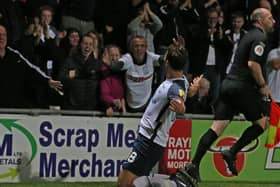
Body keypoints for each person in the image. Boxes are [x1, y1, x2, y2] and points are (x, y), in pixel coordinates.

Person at [185, 8, 275, 183]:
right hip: (242, 88)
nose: (274, 21)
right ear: (260, 20)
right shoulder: (260, 38)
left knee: (217, 127)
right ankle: (232, 152)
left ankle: (194, 164)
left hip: (227, 85)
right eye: (270, 18)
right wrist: (263, 86)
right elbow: (253, 64)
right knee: (263, 123)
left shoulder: (247, 36)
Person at [117, 39, 202, 187]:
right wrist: (191, 92)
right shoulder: (181, 80)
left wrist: (181, 108)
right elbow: (183, 92)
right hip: (150, 140)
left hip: (149, 142)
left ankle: (177, 184)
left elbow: (179, 101)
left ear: (167, 62)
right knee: (132, 183)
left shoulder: (174, 87)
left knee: (124, 184)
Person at [0, 24, 63, 108]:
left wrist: (47, 80)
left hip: (13, 109)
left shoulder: (14, 55)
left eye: (4, 35)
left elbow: (32, 69)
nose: (2, 38)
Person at [58, 33, 101, 110]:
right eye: (85, 43)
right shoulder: (70, 61)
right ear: (80, 45)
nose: (87, 46)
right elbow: (60, 79)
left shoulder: (97, 64)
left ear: (93, 47)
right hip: (72, 106)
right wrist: (68, 77)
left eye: (90, 44)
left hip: (91, 107)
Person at [101, 44, 126, 116]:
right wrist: (109, 104)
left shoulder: (124, 71)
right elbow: (103, 94)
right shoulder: (104, 71)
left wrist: (123, 103)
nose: (114, 58)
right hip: (108, 111)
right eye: (111, 55)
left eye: (116, 55)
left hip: (121, 110)